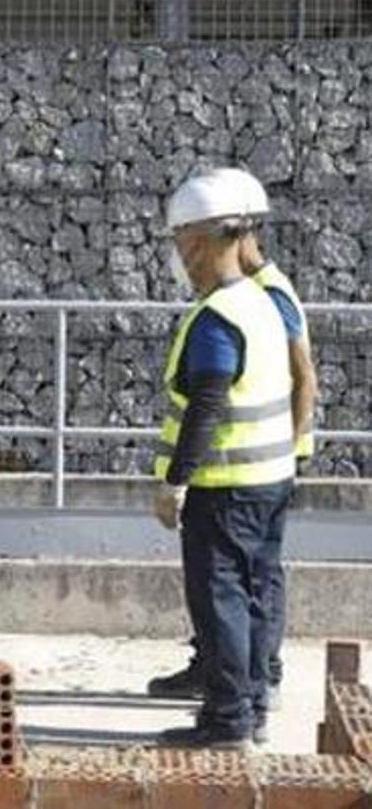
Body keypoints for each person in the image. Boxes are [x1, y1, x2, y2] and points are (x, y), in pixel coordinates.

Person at [147, 169, 317, 728]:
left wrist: (176, 482)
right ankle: (247, 699)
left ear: (196, 241)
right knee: (248, 592)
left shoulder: (220, 315)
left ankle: (230, 716)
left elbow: (208, 404)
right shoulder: (258, 301)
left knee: (222, 599)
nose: (176, 254)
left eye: (177, 242)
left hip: (226, 486)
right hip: (266, 476)